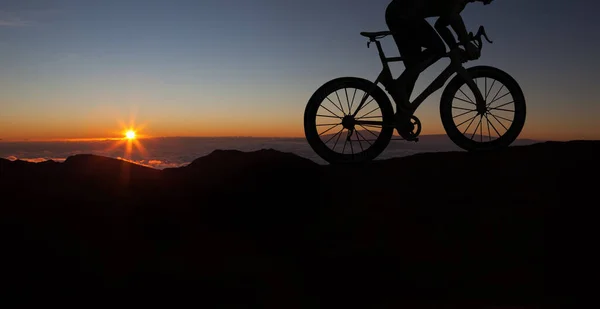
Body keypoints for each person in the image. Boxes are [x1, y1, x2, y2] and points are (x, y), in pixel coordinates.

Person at [385, 0, 494, 105]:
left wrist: (454, 47)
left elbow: (441, 25)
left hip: (401, 13)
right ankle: (398, 85)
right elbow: (453, 16)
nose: (488, 3)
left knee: (414, 68)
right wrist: (466, 44)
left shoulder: (462, 4)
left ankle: (401, 116)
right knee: (438, 49)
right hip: (403, 13)